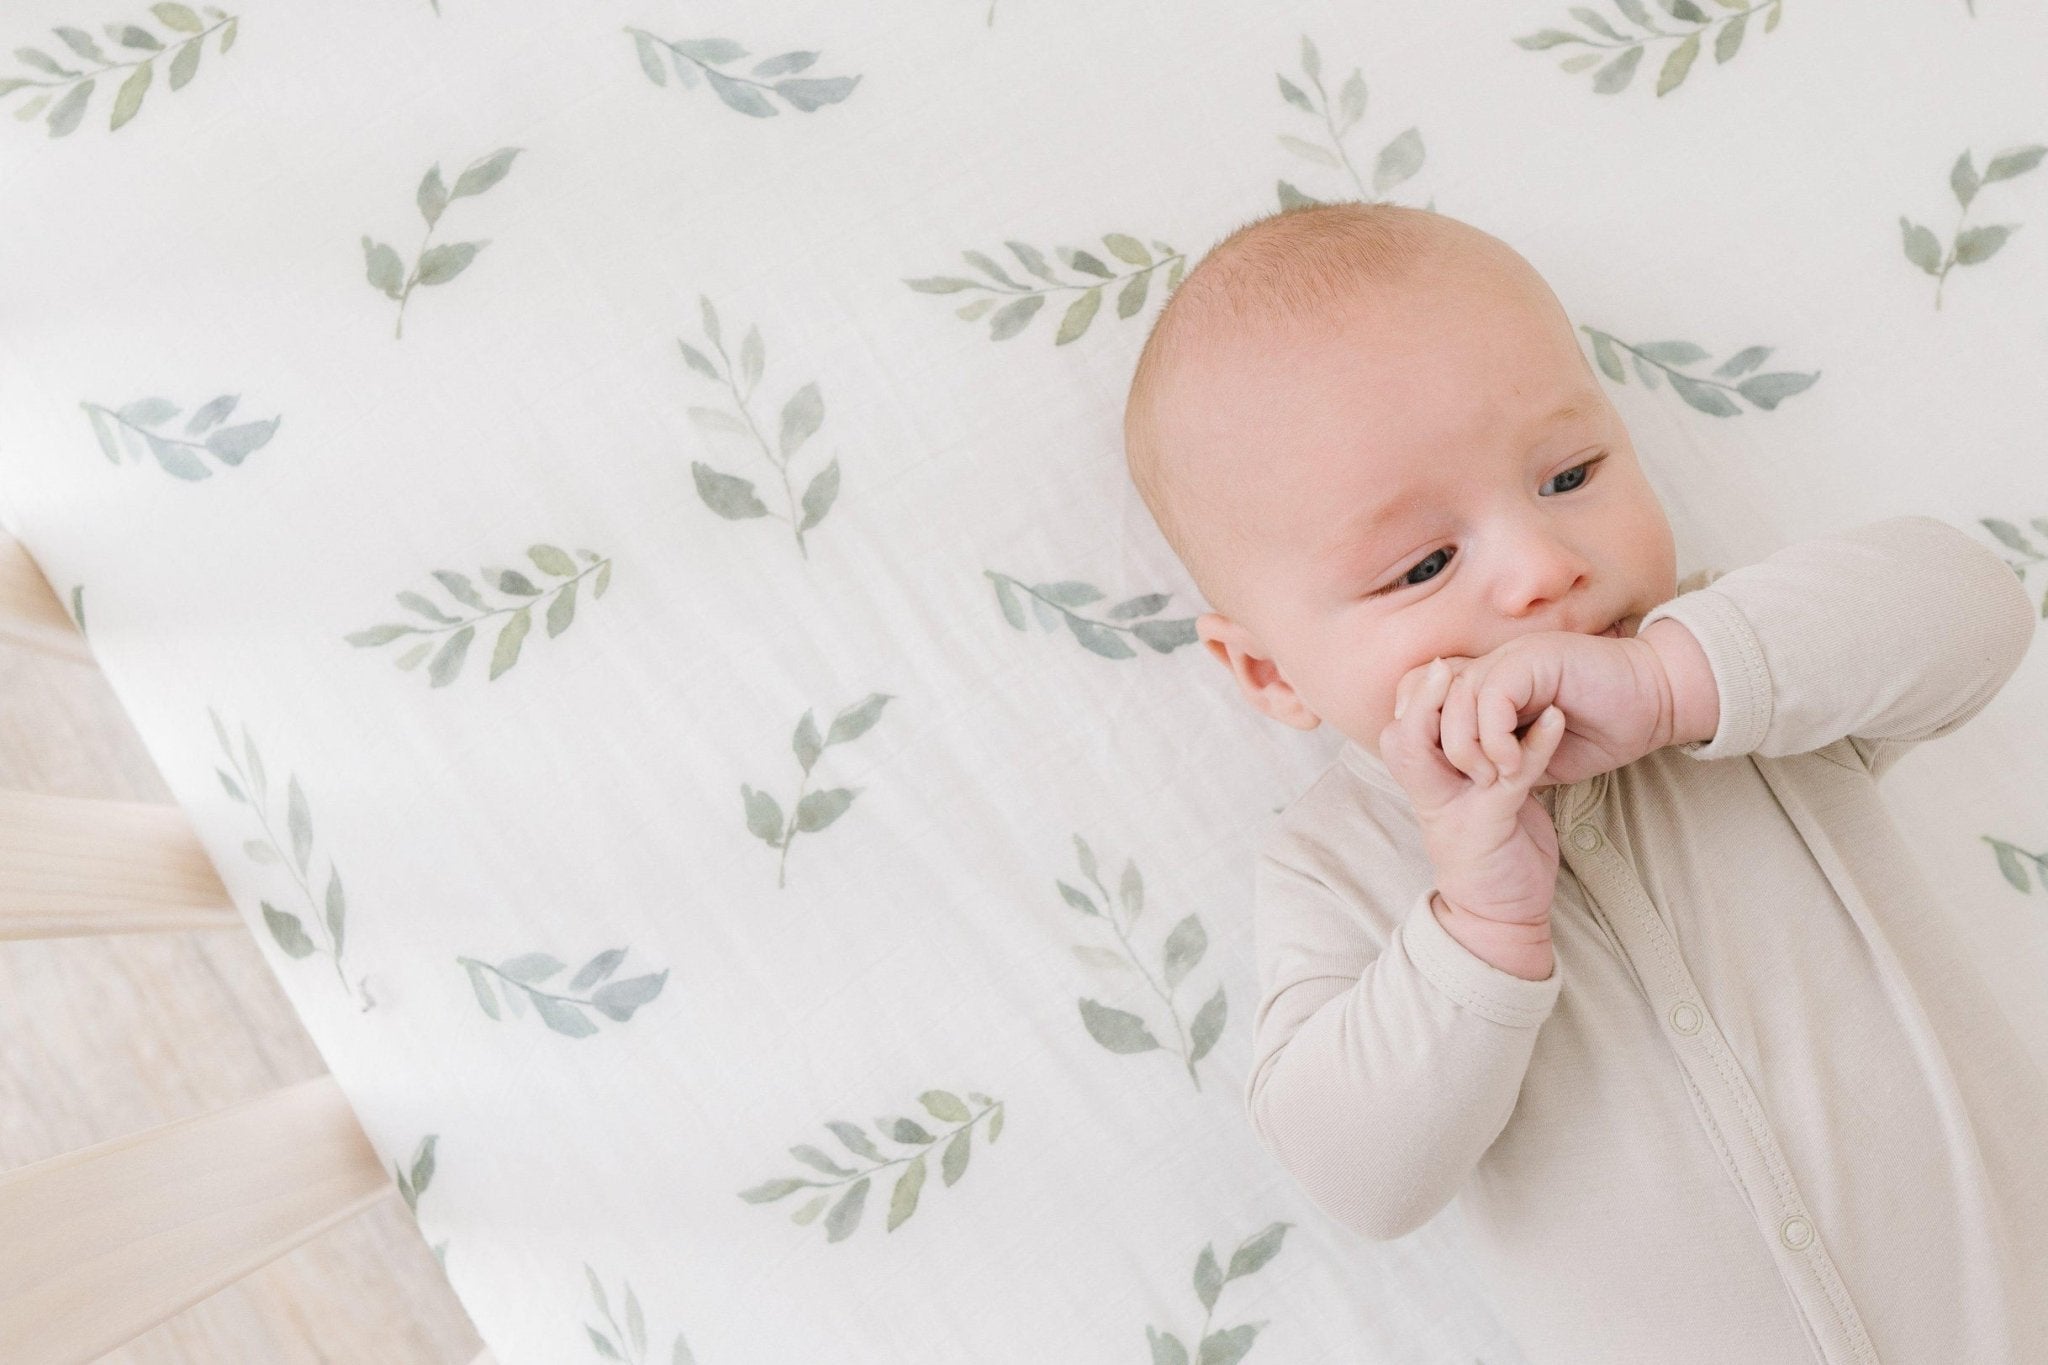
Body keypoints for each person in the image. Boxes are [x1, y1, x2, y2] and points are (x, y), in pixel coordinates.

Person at [1121, 199, 2048, 1362]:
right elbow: (1357, 1178)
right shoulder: (1339, 861)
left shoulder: (1750, 669)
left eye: (1567, 475)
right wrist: (1476, 923)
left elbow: (1974, 606)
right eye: (1421, 564)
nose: (1541, 569)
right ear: (1266, 669)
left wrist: (1672, 684)